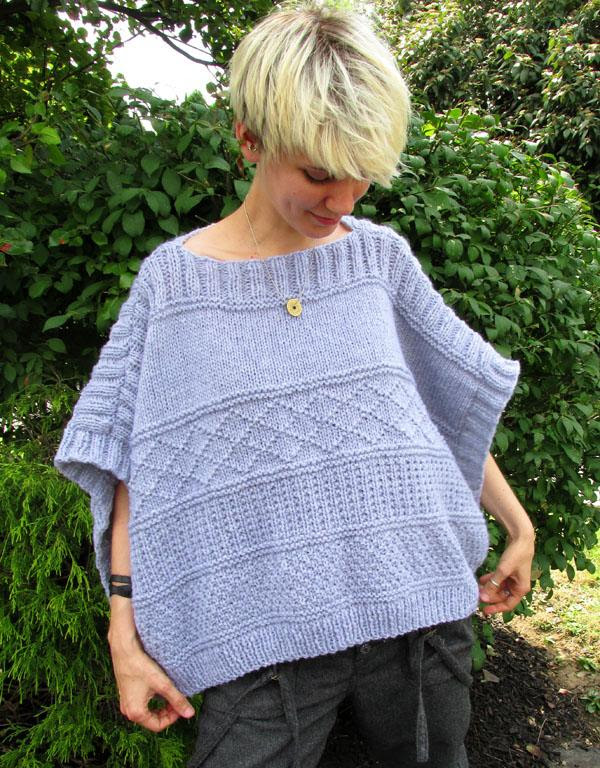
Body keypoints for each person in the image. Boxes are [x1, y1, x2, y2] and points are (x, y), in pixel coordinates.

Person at [54, 2, 536, 766]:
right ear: (250, 138)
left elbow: (435, 414)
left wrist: (518, 525)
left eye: (360, 176)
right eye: (317, 173)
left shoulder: (378, 261)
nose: (341, 201)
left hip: (417, 608)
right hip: (259, 633)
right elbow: (133, 466)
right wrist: (124, 630)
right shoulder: (174, 287)